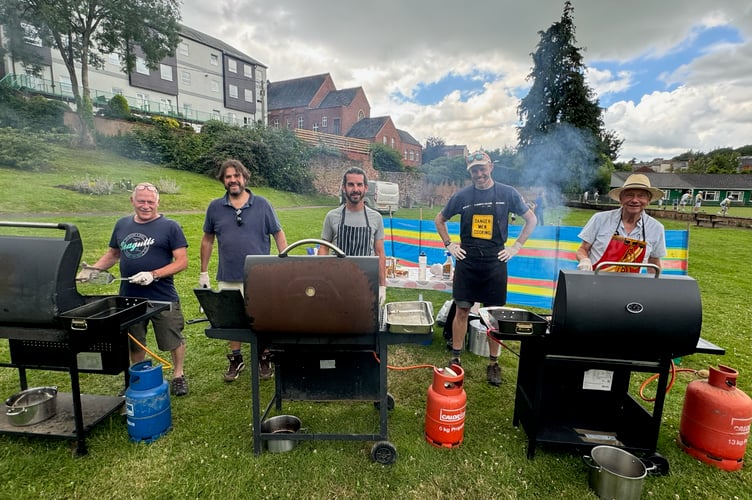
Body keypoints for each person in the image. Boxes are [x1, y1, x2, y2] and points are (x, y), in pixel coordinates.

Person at [434, 150, 537, 386]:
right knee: (461, 310)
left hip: (495, 261)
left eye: (482, 168)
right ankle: (456, 358)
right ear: (469, 172)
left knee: (494, 316)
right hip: (468, 259)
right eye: (474, 170)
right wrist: (449, 244)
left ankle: (493, 363)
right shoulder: (461, 196)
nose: (479, 174)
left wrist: (516, 247)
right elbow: (439, 219)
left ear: (491, 166)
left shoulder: (507, 193)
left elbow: (531, 219)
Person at [76, 182, 190, 396]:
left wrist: (153, 274)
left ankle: (178, 375)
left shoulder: (170, 226)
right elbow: (113, 254)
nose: (146, 206)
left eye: (150, 202)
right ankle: (137, 377)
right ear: (132, 201)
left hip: (162, 295)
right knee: (134, 340)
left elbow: (182, 262)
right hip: (129, 297)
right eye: (141, 201)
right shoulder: (122, 225)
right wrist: (93, 270)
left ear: (157, 202)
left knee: (172, 337)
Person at [200, 159, 287, 382]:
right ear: (223, 180)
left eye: (236, 176)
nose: (232, 180)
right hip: (228, 275)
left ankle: (264, 355)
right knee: (232, 320)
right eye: (228, 177)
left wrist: (284, 262)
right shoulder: (215, 207)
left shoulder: (262, 205)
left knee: (262, 318)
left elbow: (278, 233)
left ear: (244, 178)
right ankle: (236, 358)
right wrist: (203, 272)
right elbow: (207, 240)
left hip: (259, 277)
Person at [318, 167, 386, 305]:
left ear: (366, 188)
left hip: (365, 283)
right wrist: (322, 275)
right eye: (351, 184)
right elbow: (323, 248)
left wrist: (382, 285)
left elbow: (379, 252)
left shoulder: (376, 218)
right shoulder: (332, 216)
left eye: (359, 184)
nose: (355, 189)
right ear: (344, 188)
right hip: (336, 285)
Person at [576, 174, 666, 274]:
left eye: (641, 196)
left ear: (648, 200)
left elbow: (654, 262)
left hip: (631, 286)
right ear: (621, 198)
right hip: (596, 282)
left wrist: (655, 285)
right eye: (629, 195)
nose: (635, 200)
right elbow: (583, 249)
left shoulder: (656, 228)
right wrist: (584, 260)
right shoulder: (600, 219)